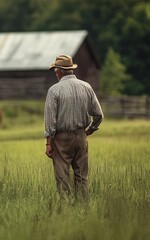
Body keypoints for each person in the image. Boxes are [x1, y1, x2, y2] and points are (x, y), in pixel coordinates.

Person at [44, 54, 103, 200]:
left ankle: (67, 209)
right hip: (81, 136)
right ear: (71, 70)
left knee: (62, 176)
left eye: (55, 70)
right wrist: (90, 129)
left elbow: (50, 121)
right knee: (82, 177)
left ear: (58, 71)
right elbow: (99, 115)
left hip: (61, 139)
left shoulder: (54, 90)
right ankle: (83, 208)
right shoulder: (86, 87)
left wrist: (48, 143)